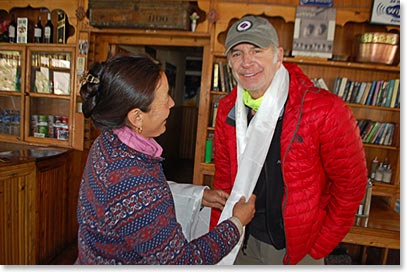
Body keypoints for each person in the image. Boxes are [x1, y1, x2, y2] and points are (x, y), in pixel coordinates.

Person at [210, 15, 368, 265]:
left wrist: (318, 246)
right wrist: (219, 236)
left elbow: (352, 185)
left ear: (278, 55)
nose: (246, 62)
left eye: (256, 50)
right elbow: (224, 178)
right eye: (237, 53)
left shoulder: (325, 109)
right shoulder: (228, 108)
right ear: (229, 61)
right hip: (241, 241)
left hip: (295, 251)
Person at [76, 54, 256, 265]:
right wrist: (236, 223)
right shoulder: (132, 178)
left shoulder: (109, 141)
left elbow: (136, 202)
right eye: (165, 98)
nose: (172, 103)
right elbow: (182, 261)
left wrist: (199, 196)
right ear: (137, 117)